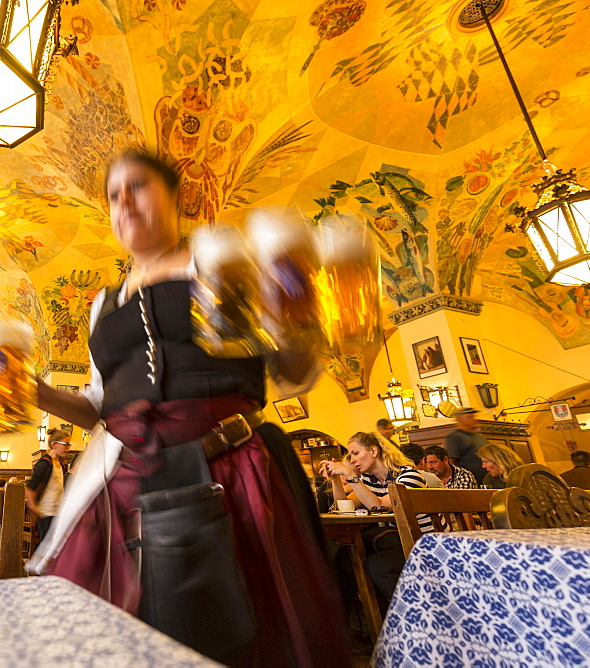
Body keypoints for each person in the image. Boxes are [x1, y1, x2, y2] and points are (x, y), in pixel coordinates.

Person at [31, 151, 349, 666]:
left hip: (232, 466)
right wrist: (33, 391)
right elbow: (97, 408)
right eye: (114, 196)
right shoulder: (101, 305)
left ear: (176, 198)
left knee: (244, 636)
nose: (124, 202)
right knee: (124, 641)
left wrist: (306, 317)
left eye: (137, 187)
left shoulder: (227, 264)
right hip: (123, 480)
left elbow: (290, 372)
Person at [320, 432, 432, 602]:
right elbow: (345, 508)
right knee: (346, 554)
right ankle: (374, 618)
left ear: (373, 451)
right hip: (396, 541)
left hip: (424, 543)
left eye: (355, 453)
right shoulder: (369, 480)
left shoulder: (408, 475)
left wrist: (351, 476)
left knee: (375, 564)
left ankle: (414, 613)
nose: (353, 459)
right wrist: (335, 480)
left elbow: (379, 506)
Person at [25, 428, 70, 538]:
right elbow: (29, 488)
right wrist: (32, 506)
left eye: (69, 445)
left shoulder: (61, 465)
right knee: (46, 546)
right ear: (54, 444)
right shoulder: (45, 462)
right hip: (46, 511)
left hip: (58, 512)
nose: (68, 448)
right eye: (66, 444)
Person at [444, 407, 486, 481]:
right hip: (470, 481)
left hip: (485, 478)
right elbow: (451, 463)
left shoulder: (478, 437)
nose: (474, 419)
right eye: (470, 417)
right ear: (459, 418)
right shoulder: (455, 437)